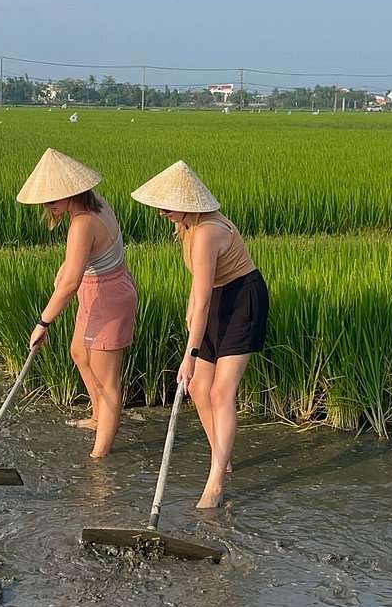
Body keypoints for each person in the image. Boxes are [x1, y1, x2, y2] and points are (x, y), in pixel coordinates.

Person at [131, 161, 268, 509]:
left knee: (221, 392)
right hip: (214, 298)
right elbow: (198, 290)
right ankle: (221, 453)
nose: (161, 212)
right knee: (195, 388)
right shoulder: (186, 226)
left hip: (241, 300)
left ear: (188, 203)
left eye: (166, 205)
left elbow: (206, 296)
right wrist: (191, 317)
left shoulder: (208, 230)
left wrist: (189, 355)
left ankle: (215, 482)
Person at [18, 148, 138, 458]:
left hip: (108, 298)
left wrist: (43, 322)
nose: (49, 207)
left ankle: (100, 454)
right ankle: (98, 417)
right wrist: (67, 267)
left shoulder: (83, 222)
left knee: (108, 381)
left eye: (53, 200)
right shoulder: (94, 205)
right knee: (78, 352)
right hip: (95, 290)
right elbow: (83, 260)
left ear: (73, 192)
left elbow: (71, 281)